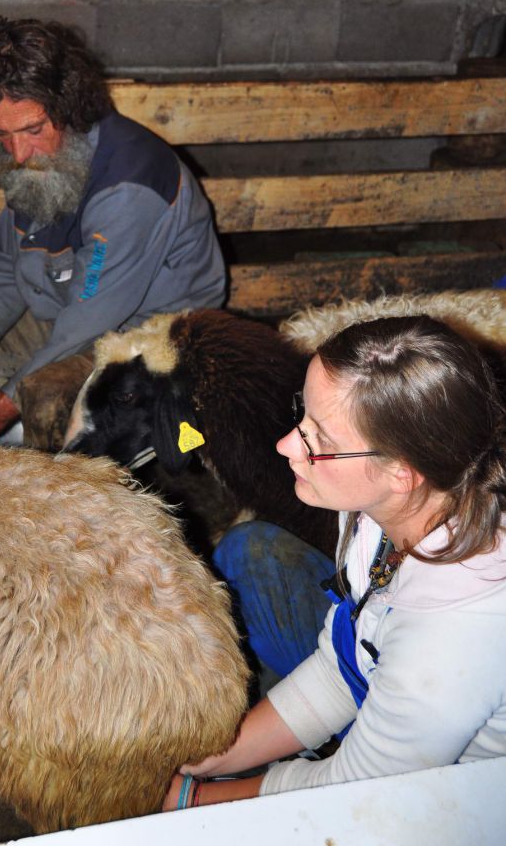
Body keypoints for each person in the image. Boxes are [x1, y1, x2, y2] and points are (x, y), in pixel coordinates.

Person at [163, 314, 506, 810]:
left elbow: (363, 791)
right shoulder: (378, 512)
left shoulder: (457, 633)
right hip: (390, 752)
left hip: (455, 809)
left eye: (319, 440)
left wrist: (192, 802)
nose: (285, 445)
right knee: (247, 548)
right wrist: (210, 758)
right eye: (302, 415)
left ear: (401, 474)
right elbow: (341, 669)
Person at [0, 17, 226, 445]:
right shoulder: (37, 162)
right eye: (1, 134)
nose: (17, 153)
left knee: (47, 396)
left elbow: (88, 323)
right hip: (65, 303)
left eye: (32, 129)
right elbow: (8, 271)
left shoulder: (129, 186)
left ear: (67, 106)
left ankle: (41, 497)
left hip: (148, 338)